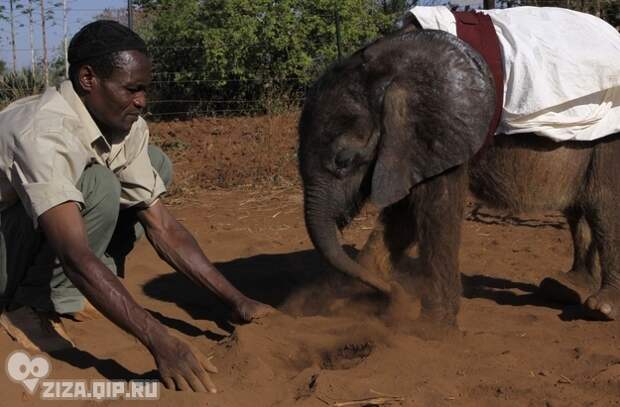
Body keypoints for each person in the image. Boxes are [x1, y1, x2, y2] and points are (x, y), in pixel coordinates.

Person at [0, 20, 272, 393]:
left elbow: (162, 226)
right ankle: (28, 306)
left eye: (145, 89)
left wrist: (238, 301)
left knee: (154, 165)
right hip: (6, 243)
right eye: (131, 89)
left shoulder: (123, 125)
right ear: (87, 79)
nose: (142, 101)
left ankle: (64, 296)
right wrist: (159, 340)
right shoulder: (43, 132)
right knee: (98, 184)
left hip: (31, 236)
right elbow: (75, 255)